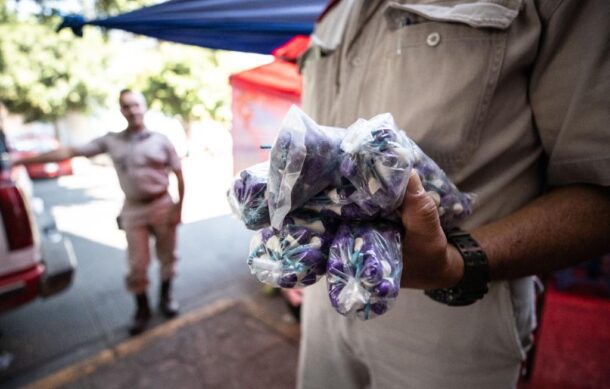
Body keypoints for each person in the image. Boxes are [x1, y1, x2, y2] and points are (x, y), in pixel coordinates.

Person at [296, 1, 610, 388]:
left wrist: (455, 263)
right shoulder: (335, 10)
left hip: (449, 323)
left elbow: (598, 187)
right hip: (326, 299)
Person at [12, 89, 185, 336]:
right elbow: (70, 151)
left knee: (168, 257)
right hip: (133, 208)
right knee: (137, 265)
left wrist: (178, 208)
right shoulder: (112, 141)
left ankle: (166, 298)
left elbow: (179, 174)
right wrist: (20, 161)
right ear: (121, 110)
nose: (132, 110)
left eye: (136, 104)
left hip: (162, 205)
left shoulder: (161, 140)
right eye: (126, 106)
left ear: (144, 107)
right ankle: (142, 309)